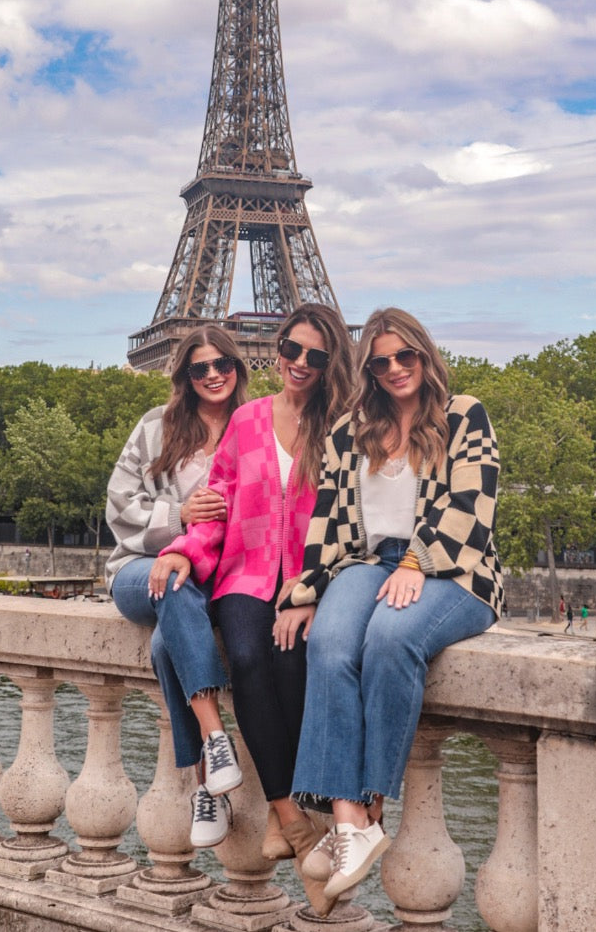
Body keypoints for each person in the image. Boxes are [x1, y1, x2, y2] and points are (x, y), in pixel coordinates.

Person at [274, 307, 503, 903]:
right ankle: (348, 818)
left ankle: (372, 809)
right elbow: (328, 521)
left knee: (391, 639)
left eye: (406, 356)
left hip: (455, 569)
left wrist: (416, 563)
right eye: (381, 361)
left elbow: (474, 508)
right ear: (367, 370)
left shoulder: (463, 414)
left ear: (426, 355)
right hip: (367, 563)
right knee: (326, 642)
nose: (396, 368)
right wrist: (307, 591)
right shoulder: (349, 429)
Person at [155, 304, 353, 915]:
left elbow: (354, 522)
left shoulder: (345, 427)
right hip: (243, 572)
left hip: (303, 581)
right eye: (291, 350)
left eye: (315, 357)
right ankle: (291, 816)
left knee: (289, 656)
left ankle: (288, 817)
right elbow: (216, 505)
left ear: (331, 364)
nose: (298, 364)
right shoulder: (245, 419)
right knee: (243, 653)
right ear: (277, 348)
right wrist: (186, 551)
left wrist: (316, 591)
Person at [105, 326, 249, 847]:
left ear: (239, 367)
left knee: (170, 640)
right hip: (141, 571)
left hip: (210, 577)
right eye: (199, 368)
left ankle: (207, 787)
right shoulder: (155, 428)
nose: (213, 375)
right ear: (185, 376)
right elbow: (118, 505)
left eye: (222, 365)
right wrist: (180, 518)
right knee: (171, 583)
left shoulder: (254, 429)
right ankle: (215, 736)